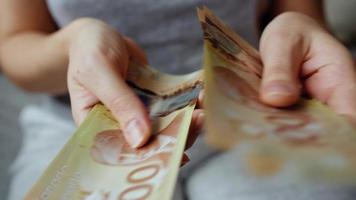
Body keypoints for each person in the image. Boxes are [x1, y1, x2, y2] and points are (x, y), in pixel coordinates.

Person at [0, 0, 355, 199]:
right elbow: (13, 43)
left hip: (253, 113)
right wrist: (74, 42)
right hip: (78, 123)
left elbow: (300, 15)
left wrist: (300, 28)